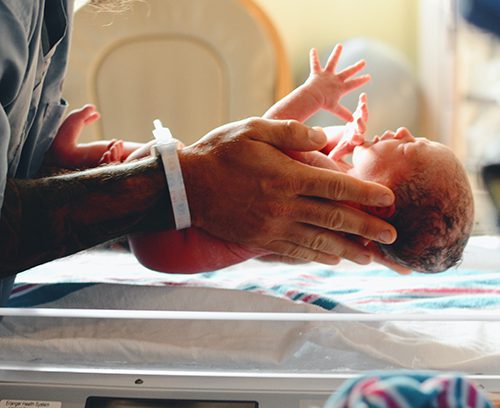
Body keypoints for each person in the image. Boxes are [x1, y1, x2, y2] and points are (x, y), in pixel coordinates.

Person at [0, 1, 398, 306]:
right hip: (168, 245)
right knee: (160, 158)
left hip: (173, 242)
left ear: (381, 207)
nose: (402, 132)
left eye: (411, 146)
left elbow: (269, 132)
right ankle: (81, 158)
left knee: (160, 158)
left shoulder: (333, 193)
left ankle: (80, 159)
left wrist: (314, 94)